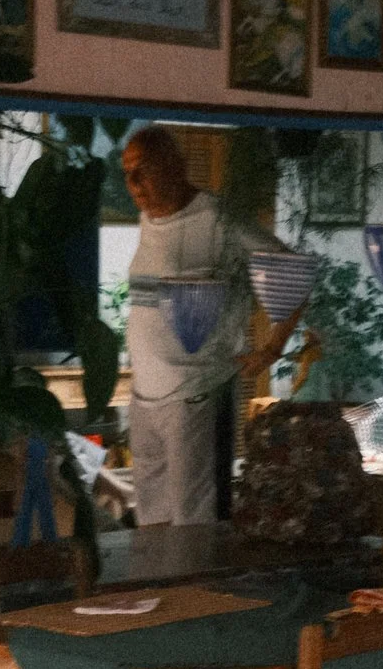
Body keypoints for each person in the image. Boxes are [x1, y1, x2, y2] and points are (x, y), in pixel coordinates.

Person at [120, 126, 287, 527]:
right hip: (145, 396)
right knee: (151, 521)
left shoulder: (216, 219)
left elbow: (290, 268)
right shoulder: (148, 220)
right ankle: (157, 590)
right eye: (127, 173)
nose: (133, 184)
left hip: (193, 395)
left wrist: (272, 349)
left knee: (192, 524)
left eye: (142, 170)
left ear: (175, 167)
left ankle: (191, 591)